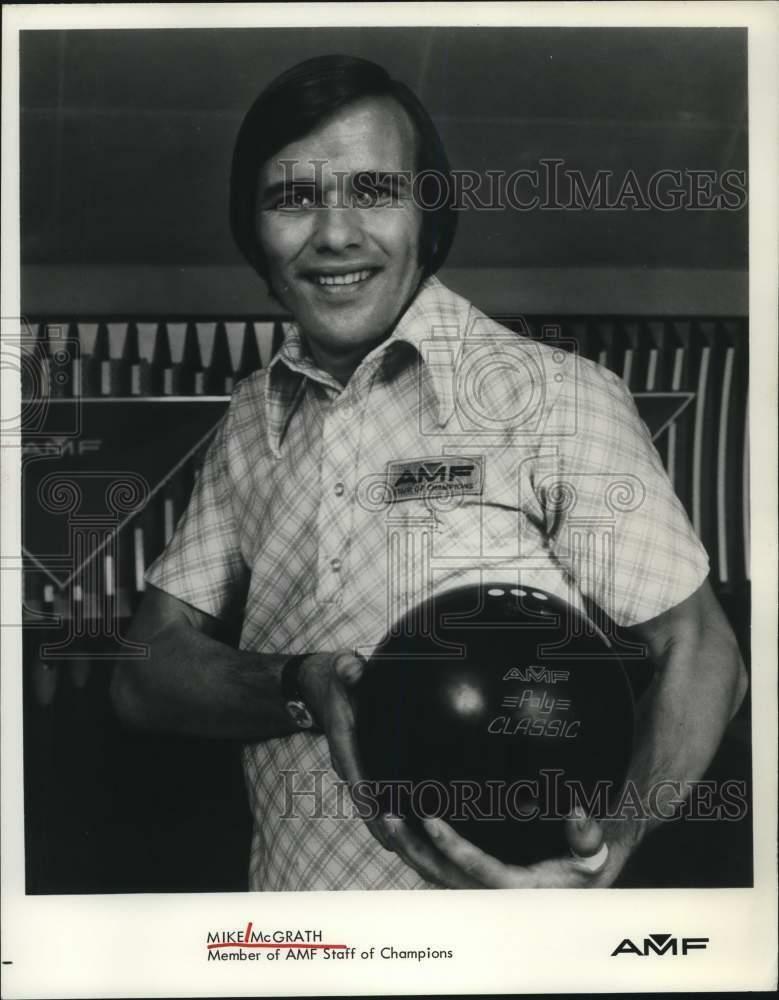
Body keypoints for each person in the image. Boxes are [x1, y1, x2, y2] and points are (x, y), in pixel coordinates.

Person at [110, 54, 747, 891]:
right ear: (252, 228)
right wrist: (299, 683)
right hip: (295, 941)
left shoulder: (552, 395)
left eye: (374, 191)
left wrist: (611, 851)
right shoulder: (248, 421)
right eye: (294, 197)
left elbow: (701, 651)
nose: (335, 234)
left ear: (429, 214)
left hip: (498, 951)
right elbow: (144, 671)